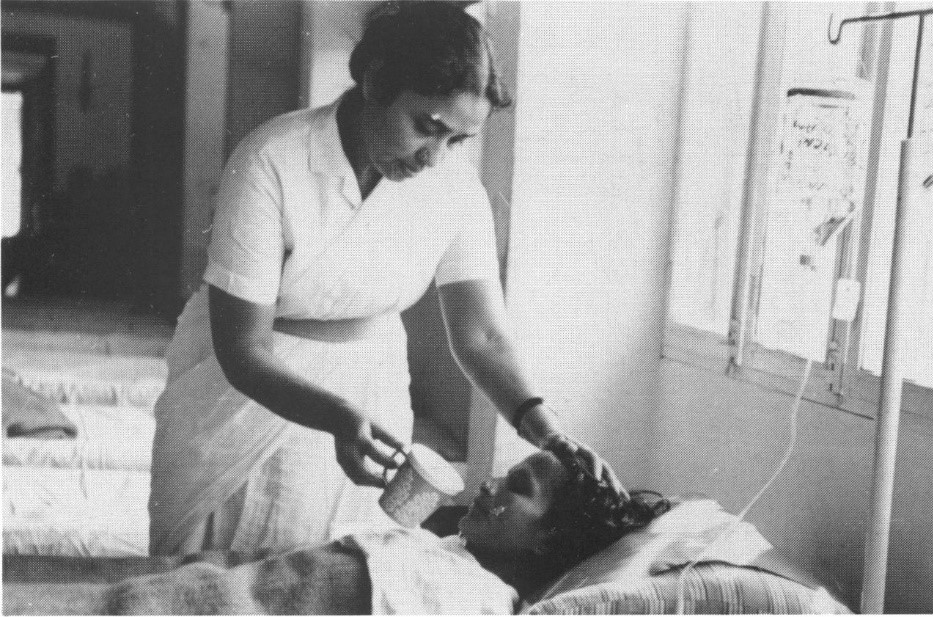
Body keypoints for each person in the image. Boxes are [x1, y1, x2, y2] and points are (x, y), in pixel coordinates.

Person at [148, 1, 622, 557]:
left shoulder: (456, 191)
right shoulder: (272, 160)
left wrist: (551, 434)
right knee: (208, 570)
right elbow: (244, 350)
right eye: (427, 127)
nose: (434, 157)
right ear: (376, 81)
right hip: (244, 393)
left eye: (458, 141)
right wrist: (337, 417)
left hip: (368, 383)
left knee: (337, 565)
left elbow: (482, 337)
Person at [5, 445, 668, 615]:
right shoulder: (451, 556)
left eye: (517, 487)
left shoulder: (475, 602)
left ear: (547, 541)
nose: (489, 483)